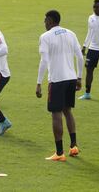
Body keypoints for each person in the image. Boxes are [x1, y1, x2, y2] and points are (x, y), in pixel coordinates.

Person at [36, 10, 84, 161]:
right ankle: (74, 146)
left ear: (50, 21)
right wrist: (79, 77)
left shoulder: (45, 37)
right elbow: (80, 57)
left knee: (56, 114)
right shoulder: (71, 33)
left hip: (56, 80)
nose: (44, 23)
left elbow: (43, 61)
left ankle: (59, 152)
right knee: (67, 111)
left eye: (45, 20)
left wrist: (38, 83)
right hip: (71, 78)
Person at [79, 0, 99, 102]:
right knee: (89, 71)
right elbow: (89, 32)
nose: (95, 9)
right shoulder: (90, 17)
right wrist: (84, 46)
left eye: (97, 7)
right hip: (92, 49)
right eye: (94, 6)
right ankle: (87, 93)